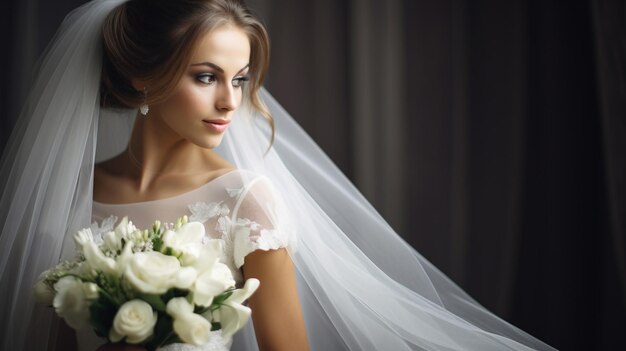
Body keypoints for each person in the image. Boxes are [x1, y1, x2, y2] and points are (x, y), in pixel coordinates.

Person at [0, 0, 556, 350]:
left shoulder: (244, 200)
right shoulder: (73, 195)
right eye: (205, 76)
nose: (229, 101)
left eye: (239, 79)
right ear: (145, 78)